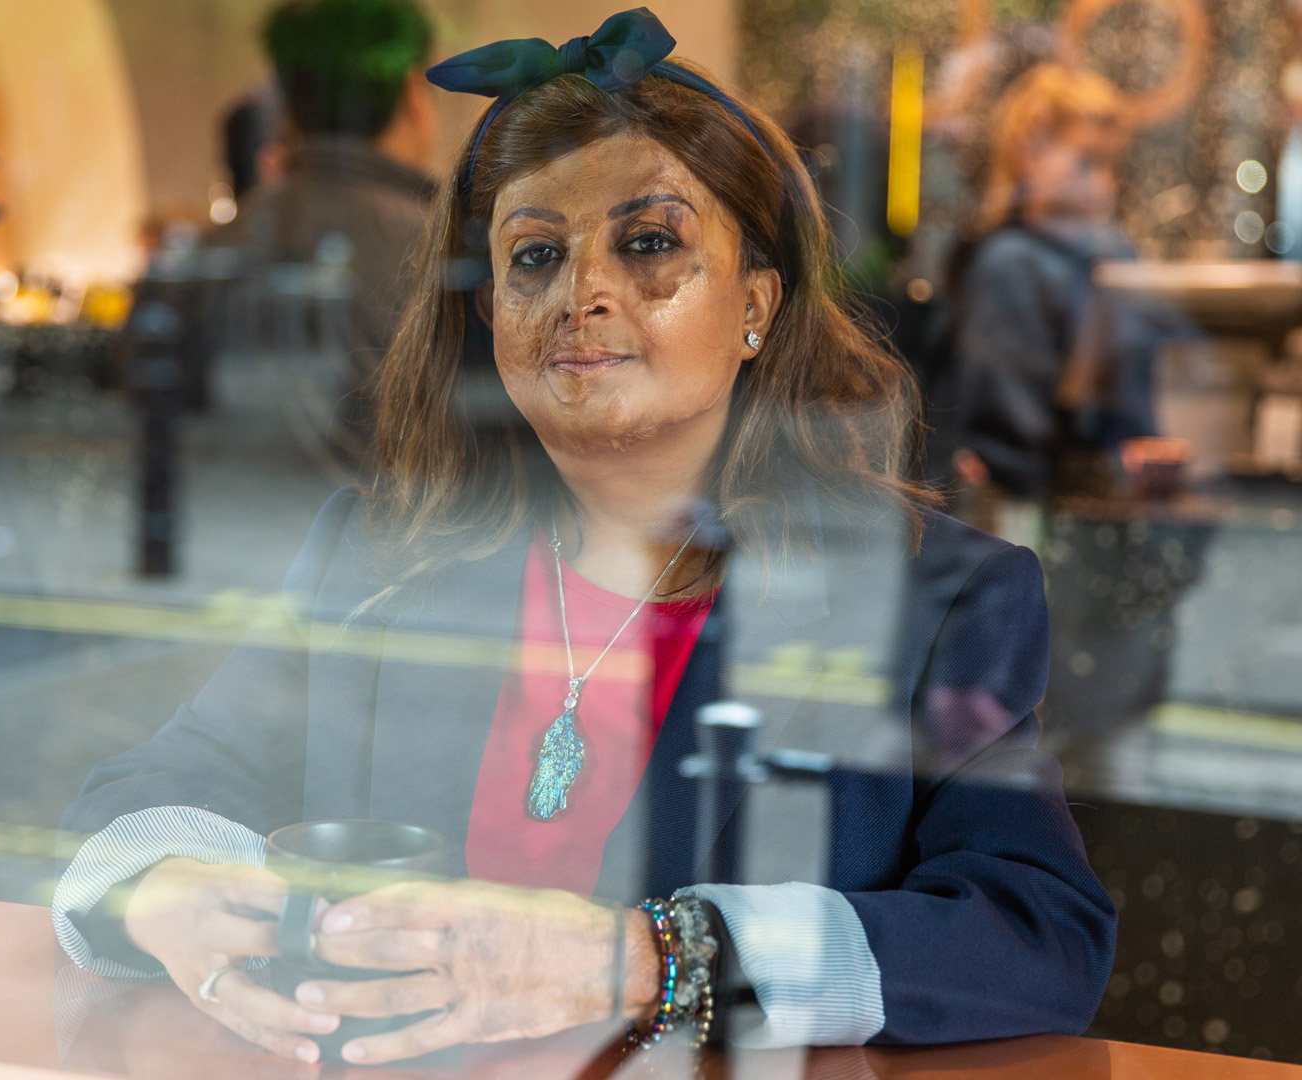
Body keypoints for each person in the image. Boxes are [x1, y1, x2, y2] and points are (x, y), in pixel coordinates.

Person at [54, 10, 1114, 1065]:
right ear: (485, 311)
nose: (583, 293)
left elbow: (1037, 934)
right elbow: (148, 795)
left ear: (757, 304)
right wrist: (176, 898)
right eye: (534, 257)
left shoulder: (938, 600)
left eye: (649, 244)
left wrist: (650, 961)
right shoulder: (377, 554)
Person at [947, 64, 1202, 782]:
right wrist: (1103, 455)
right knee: (1025, 751)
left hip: (1092, 533)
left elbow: (1139, 380)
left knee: (1089, 751)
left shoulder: (1104, 256)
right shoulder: (1009, 263)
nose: (1102, 184)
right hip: (1035, 526)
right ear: (1029, 151)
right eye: (1084, 161)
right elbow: (1012, 429)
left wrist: (1137, 447)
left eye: (1111, 166)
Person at [192, 0, 438, 466]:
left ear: (287, 106)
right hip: (395, 532)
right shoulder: (448, 252)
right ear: (412, 95)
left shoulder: (214, 249)